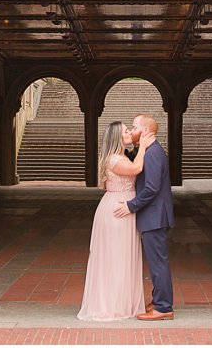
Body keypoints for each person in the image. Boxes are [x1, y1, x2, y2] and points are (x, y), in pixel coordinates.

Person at [77, 121, 155, 321]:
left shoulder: (120, 156)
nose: (130, 132)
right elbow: (137, 168)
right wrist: (144, 145)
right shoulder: (114, 160)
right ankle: (111, 305)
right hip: (116, 211)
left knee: (124, 257)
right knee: (115, 258)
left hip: (124, 209)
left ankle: (123, 302)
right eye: (126, 131)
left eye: (129, 129)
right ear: (117, 138)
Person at [113, 112, 174, 320]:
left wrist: (131, 206)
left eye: (135, 127)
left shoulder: (153, 153)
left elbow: (151, 188)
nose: (133, 130)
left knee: (158, 263)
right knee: (157, 262)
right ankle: (158, 301)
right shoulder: (148, 150)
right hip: (153, 216)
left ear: (146, 130)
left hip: (155, 216)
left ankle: (164, 308)